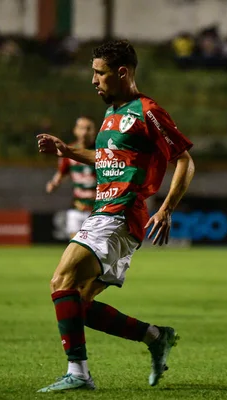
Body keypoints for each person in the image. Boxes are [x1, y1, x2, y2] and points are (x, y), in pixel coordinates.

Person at [35, 40, 195, 392]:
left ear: (122, 72)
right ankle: (155, 336)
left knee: (61, 280)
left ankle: (78, 374)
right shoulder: (111, 114)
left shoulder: (147, 110)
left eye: (99, 72)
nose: (93, 80)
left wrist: (167, 208)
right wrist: (68, 151)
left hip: (120, 212)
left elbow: (183, 159)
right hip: (108, 213)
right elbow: (106, 157)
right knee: (77, 302)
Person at [45, 116, 97, 239]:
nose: (84, 132)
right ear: (75, 130)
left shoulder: (101, 150)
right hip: (77, 207)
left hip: (98, 208)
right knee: (74, 246)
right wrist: (53, 183)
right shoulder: (68, 152)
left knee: (94, 248)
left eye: (88, 128)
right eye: (81, 128)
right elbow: (61, 174)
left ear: (94, 131)